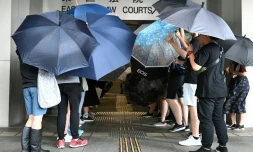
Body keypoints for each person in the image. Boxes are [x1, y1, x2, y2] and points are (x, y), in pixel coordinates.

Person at [187, 35, 228, 152]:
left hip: (207, 89)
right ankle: (223, 146)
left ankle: (206, 147)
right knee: (218, 118)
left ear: (207, 35)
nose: (199, 37)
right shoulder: (220, 48)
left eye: (200, 34)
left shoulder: (207, 49)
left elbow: (195, 66)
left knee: (206, 119)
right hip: (220, 89)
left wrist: (190, 52)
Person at [167, 30, 201, 146]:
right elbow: (189, 57)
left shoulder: (197, 41)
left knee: (193, 108)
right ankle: (194, 133)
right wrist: (180, 62)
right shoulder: (196, 41)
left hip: (192, 80)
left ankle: (195, 136)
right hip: (190, 78)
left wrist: (173, 42)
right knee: (191, 106)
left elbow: (187, 54)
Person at [17, 50, 50, 152]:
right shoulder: (37, 55)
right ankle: (35, 149)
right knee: (37, 118)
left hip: (26, 88)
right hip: (37, 89)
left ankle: (26, 149)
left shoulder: (22, 54)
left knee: (31, 118)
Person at [56, 76, 88, 149]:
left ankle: (61, 140)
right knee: (74, 111)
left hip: (59, 83)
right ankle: (75, 139)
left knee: (61, 111)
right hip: (74, 83)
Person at [224, 62, 250, 130]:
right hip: (235, 84)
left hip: (241, 85)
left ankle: (241, 125)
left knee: (240, 104)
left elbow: (244, 73)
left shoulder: (241, 64)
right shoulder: (233, 64)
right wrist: (228, 71)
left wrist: (233, 71)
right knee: (231, 103)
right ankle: (234, 123)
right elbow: (232, 74)